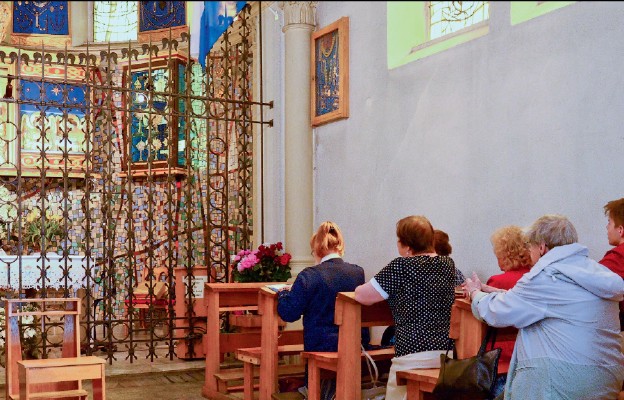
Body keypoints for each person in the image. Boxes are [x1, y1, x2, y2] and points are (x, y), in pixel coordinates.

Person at [464, 214, 624, 399]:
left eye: (530, 247)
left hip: (562, 381)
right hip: (606, 379)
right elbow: (542, 301)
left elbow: (498, 312)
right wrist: (491, 291)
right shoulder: (594, 272)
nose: (529, 254)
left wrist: (475, 294)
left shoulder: (547, 275)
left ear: (541, 247)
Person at [354, 215, 456, 400]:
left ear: (407, 246)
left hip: (412, 353)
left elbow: (363, 296)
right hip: (446, 352)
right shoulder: (447, 264)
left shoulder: (401, 266)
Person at [276, 221, 366, 399]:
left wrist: (282, 295)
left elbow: (289, 313)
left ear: (316, 250)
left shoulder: (309, 275)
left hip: (322, 345)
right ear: (340, 247)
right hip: (355, 342)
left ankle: (317, 391)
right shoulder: (357, 273)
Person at [599, 197, 624, 331]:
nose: (607, 227)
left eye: (609, 222)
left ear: (620, 230)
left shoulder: (616, 259)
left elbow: (592, 282)